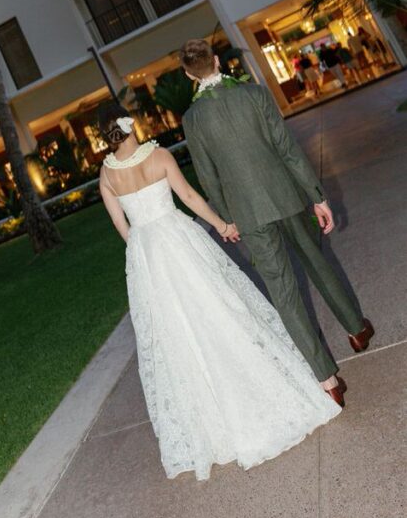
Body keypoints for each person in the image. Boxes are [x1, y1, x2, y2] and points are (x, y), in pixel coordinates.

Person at [98, 101, 341, 483]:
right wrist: (224, 225)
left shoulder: (107, 173)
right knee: (218, 310)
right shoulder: (158, 156)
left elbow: (119, 222)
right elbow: (191, 199)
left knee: (176, 332)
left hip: (147, 253)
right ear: (131, 125)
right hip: (178, 240)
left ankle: (210, 421)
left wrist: (141, 253)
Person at [178, 39, 374, 403]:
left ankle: (327, 382)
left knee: (283, 294)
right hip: (287, 196)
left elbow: (207, 176)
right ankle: (356, 329)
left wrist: (227, 219)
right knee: (318, 262)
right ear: (217, 61)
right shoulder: (254, 93)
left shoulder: (192, 120)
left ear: (189, 73)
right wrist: (316, 195)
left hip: (247, 214)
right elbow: (286, 146)